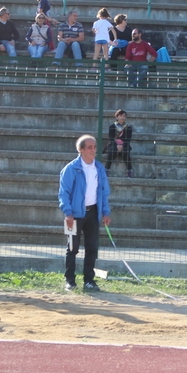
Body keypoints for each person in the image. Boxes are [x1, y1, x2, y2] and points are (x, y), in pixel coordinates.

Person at [58, 135, 111, 292]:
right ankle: (70, 280)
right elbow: (63, 193)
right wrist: (68, 213)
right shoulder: (70, 169)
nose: (93, 150)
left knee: (92, 248)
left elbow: (104, 192)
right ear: (81, 150)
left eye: (95, 147)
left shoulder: (99, 168)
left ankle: (89, 280)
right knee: (72, 248)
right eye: (89, 147)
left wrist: (105, 212)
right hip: (74, 214)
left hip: (93, 213)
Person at [105, 109, 134, 178]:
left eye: (124, 116)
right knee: (112, 151)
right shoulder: (112, 127)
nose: (122, 117)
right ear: (117, 117)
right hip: (114, 144)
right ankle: (106, 169)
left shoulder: (128, 128)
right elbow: (111, 138)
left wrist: (122, 146)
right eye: (120, 115)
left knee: (125, 151)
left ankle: (130, 170)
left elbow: (128, 139)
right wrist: (117, 145)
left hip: (124, 145)